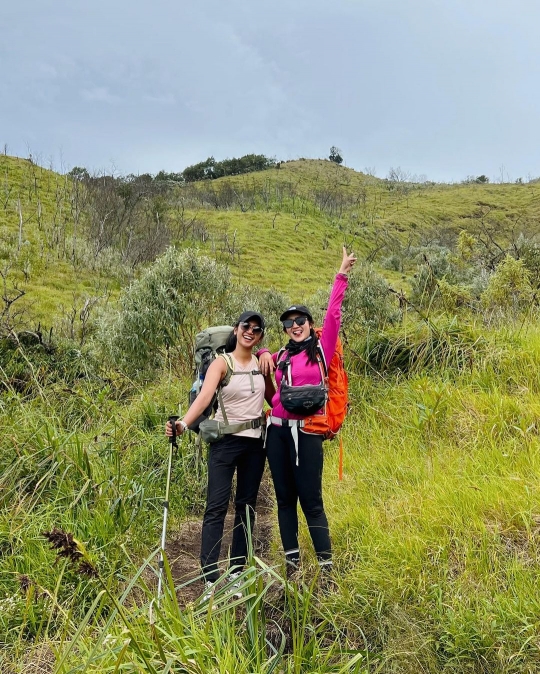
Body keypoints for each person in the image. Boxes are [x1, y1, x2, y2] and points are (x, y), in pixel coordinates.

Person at [258, 247, 356, 578]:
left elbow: (334, 315)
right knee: (284, 499)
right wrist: (263, 351)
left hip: (308, 432)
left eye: (300, 320)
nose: (295, 325)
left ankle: (326, 568)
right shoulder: (283, 355)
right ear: (284, 329)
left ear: (310, 324)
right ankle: (292, 563)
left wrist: (340, 274)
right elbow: (274, 394)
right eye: (289, 323)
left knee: (311, 500)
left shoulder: (321, 349)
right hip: (278, 430)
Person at [166, 311, 274, 595]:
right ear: (236, 330)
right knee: (216, 507)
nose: (250, 331)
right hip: (225, 443)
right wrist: (182, 424)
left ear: (261, 335)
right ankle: (211, 574)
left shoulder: (262, 364)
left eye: (256, 329)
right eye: (246, 327)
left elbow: (274, 399)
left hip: (255, 444)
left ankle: (237, 570)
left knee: (246, 508)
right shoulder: (220, 363)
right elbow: (203, 398)